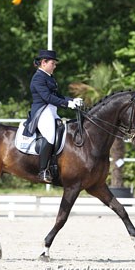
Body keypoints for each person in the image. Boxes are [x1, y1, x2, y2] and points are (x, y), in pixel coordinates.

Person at [23, 50, 83, 183]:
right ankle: (43, 170)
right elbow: (47, 97)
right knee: (50, 135)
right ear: (44, 63)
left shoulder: (49, 77)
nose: (54, 66)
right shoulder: (38, 77)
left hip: (51, 111)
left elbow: (58, 96)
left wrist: (73, 100)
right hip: (42, 111)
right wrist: (68, 104)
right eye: (52, 63)